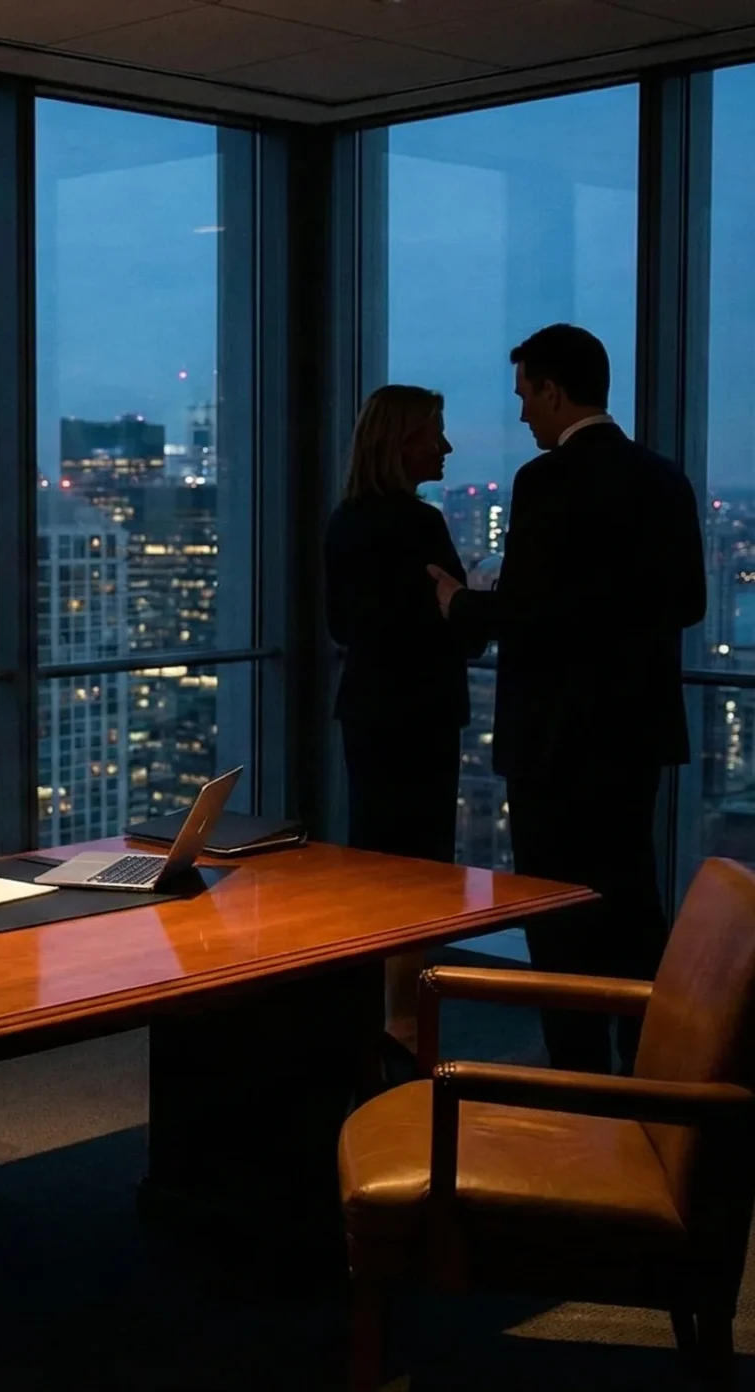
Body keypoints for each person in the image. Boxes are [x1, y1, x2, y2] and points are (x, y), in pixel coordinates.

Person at [431, 324, 706, 1075]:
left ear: (554, 390)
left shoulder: (545, 482)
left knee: (558, 912)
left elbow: (530, 613)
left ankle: (576, 1073)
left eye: (525, 396)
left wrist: (460, 602)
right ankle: (648, 1061)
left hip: (556, 739)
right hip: (636, 732)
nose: (522, 416)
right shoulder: (665, 478)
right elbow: (687, 603)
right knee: (632, 895)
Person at [326, 384, 487, 1083]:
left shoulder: (344, 521)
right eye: (434, 434)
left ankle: (374, 1022)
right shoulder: (419, 525)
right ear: (402, 444)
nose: (445, 447)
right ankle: (405, 1021)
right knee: (422, 872)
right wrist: (468, 602)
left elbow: (341, 627)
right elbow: (463, 632)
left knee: (376, 866)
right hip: (421, 715)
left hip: (367, 712)